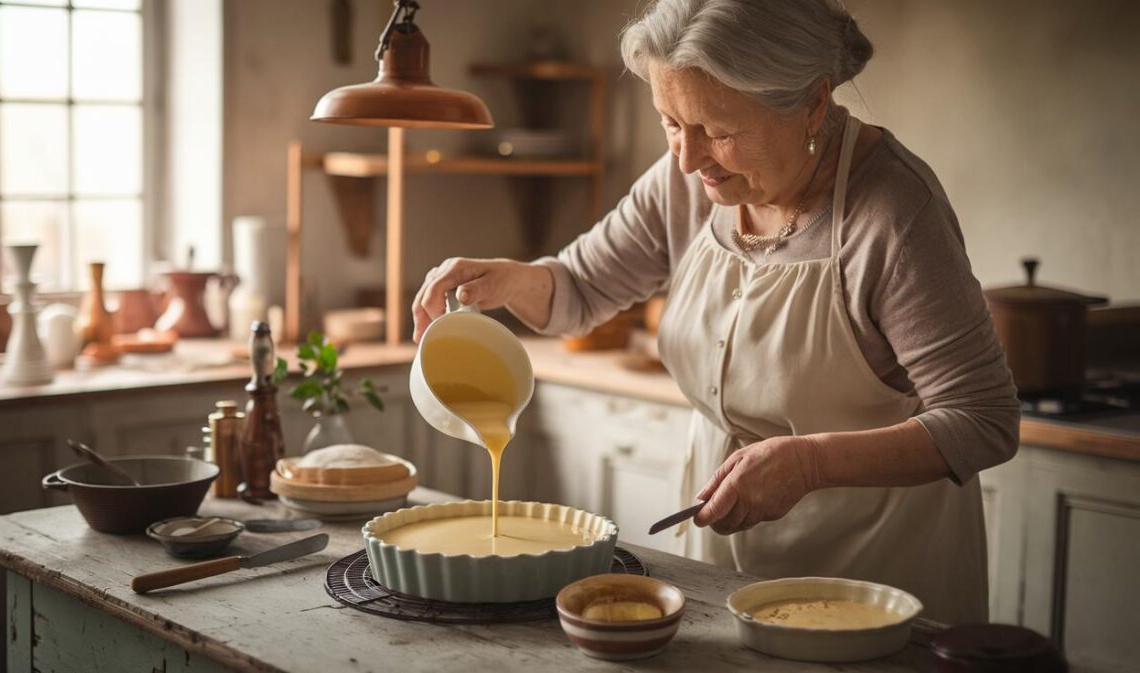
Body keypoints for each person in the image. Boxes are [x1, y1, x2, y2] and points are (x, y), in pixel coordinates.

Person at [411, 0, 1019, 625]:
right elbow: (580, 291)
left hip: (876, 578)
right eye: (669, 122)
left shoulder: (893, 214)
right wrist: (511, 280)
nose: (685, 157)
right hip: (720, 559)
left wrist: (808, 462)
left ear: (813, 102)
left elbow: (983, 420)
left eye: (719, 132)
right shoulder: (691, 181)